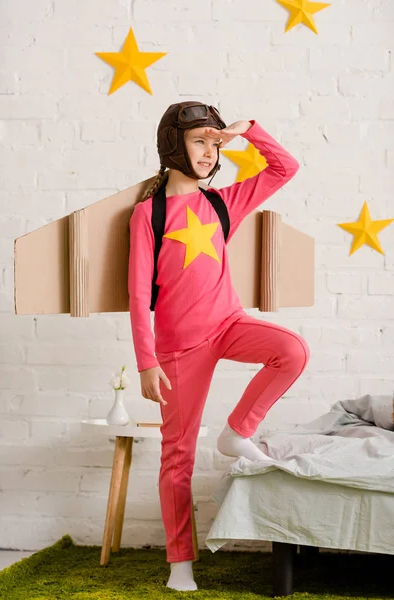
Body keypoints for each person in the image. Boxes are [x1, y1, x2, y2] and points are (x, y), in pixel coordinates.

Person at [128, 101, 310, 591]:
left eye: (213, 143)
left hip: (229, 324)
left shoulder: (223, 202)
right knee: (178, 455)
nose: (209, 152)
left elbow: (284, 167)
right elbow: (137, 291)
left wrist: (247, 129)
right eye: (198, 142)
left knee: (292, 350)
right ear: (174, 147)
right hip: (179, 350)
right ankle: (180, 563)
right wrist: (147, 362)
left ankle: (237, 432)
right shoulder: (150, 213)